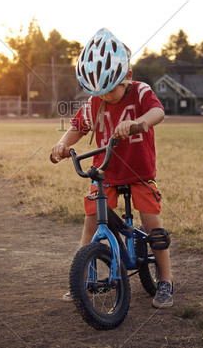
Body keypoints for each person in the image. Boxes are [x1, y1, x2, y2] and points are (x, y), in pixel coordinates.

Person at [51, 28, 173, 308]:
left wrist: (137, 122)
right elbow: (77, 128)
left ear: (127, 76)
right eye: (99, 92)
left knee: (151, 223)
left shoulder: (140, 91)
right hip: (106, 172)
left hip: (139, 172)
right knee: (91, 221)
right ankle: (84, 279)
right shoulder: (95, 103)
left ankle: (165, 280)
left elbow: (159, 113)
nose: (104, 96)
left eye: (110, 89)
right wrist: (61, 144)